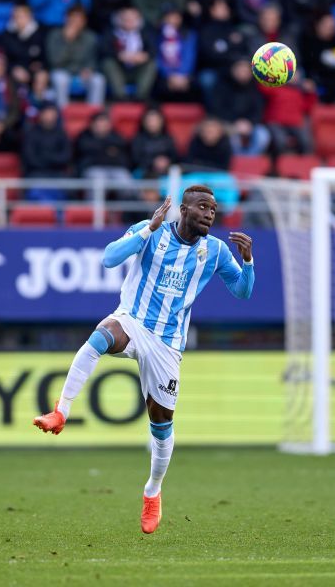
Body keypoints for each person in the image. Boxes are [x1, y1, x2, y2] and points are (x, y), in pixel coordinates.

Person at [33, 186, 255, 535]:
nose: (210, 214)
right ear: (183, 210)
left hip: (168, 343)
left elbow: (242, 292)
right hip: (133, 321)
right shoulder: (151, 231)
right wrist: (148, 229)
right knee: (100, 336)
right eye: (202, 207)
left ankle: (153, 490)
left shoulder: (215, 251)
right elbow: (109, 258)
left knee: (161, 424)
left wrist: (248, 262)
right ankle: (61, 412)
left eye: (213, 210)